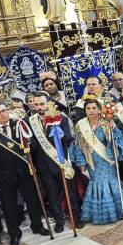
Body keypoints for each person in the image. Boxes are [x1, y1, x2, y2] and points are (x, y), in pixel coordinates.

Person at [0, 101, 47, 245]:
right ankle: (14, 234)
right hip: (4, 176)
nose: (2, 114)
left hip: (24, 172)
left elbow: (34, 146)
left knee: (32, 201)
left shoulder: (20, 124)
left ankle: (37, 226)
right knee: (8, 206)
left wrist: (29, 144)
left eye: (4, 110)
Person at [70, 98, 123, 224]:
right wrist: (81, 162)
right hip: (91, 161)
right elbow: (77, 145)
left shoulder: (106, 122)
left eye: (93, 108)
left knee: (111, 181)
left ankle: (120, 210)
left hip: (107, 160)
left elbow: (118, 141)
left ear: (99, 109)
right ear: (85, 110)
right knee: (96, 182)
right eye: (88, 108)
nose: (91, 111)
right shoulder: (80, 125)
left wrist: (113, 129)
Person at [27, 92, 82, 232]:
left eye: (42, 104)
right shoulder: (30, 121)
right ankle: (59, 221)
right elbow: (32, 144)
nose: (39, 107)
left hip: (61, 162)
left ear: (49, 103)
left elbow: (69, 139)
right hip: (43, 165)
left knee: (70, 192)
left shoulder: (61, 118)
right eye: (36, 104)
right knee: (51, 195)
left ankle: (75, 218)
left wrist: (59, 134)